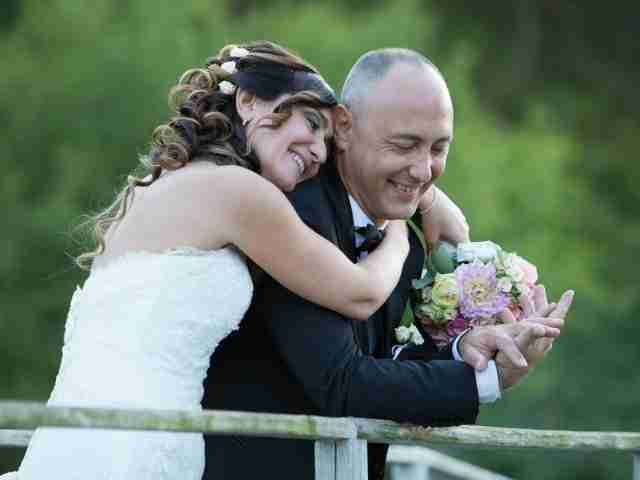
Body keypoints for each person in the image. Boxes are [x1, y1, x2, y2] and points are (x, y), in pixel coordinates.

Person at [6, 42, 468, 480]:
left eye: (326, 139)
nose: (319, 151)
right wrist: (400, 232)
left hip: (81, 433)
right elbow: (360, 293)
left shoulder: (168, 183)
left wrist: (427, 196)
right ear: (247, 101)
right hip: (137, 445)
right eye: (310, 123)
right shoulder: (241, 193)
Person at [202, 48, 572, 480]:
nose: (423, 170)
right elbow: (341, 383)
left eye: (439, 148)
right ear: (343, 127)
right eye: (405, 145)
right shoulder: (295, 208)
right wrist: (486, 381)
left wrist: (470, 352)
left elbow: (376, 358)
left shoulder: (406, 240)